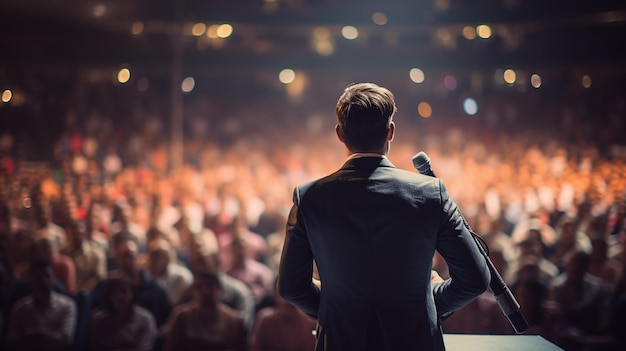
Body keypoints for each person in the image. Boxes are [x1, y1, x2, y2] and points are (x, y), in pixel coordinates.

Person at [277, 82, 490, 351]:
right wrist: (425, 301)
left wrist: (339, 311)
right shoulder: (430, 192)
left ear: (340, 134)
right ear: (391, 131)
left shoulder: (309, 197)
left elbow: (291, 287)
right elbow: (474, 279)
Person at [164, 270, 247, 351]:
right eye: (199, 287)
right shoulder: (181, 317)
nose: (205, 291)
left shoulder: (233, 321)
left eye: (210, 286)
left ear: (220, 290)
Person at [4, 260, 77, 351]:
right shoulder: (20, 308)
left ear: (53, 278)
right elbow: (12, 339)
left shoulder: (67, 305)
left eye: (47, 276)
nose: (43, 281)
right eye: (38, 277)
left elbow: (66, 340)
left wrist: (36, 336)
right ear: (31, 279)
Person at [88, 277, 157, 351]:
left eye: (123, 291)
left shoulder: (144, 319)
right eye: (114, 292)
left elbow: (144, 348)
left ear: (132, 294)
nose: (119, 296)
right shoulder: (101, 321)